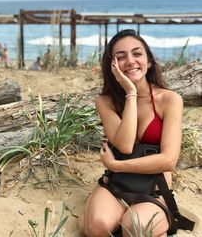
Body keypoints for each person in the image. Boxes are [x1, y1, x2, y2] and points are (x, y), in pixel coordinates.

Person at [78, 29, 194, 236]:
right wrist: (131, 93)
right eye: (120, 57)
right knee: (97, 227)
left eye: (137, 54)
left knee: (134, 227)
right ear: (112, 66)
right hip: (116, 185)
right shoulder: (105, 102)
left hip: (154, 190)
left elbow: (168, 160)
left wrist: (116, 164)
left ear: (148, 61)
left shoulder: (169, 100)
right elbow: (125, 145)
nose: (130, 61)